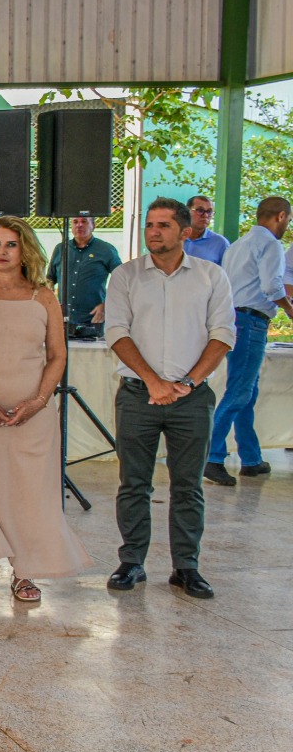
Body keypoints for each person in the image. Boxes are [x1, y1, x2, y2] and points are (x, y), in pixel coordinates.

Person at [0, 217, 92, 604]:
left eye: (10, 244)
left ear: (25, 249)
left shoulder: (43, 298)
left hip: (33, 414)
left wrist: (39, 401)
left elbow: (58, 355)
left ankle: (24, 571)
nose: (1, 251)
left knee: (29, 491)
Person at [104, 197, 235, 600]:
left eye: (163, 225)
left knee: (188, 487)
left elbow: (223, 334)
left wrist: (189, 383)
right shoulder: (125, 276)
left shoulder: (212, 276)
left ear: (185, 232)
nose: (154, 232)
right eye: (150, 224)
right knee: (133, 484)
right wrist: (153, 382)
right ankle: (131, 562)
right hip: (137, 396)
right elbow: (117, 332)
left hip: (191, 400)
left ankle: (186, 568)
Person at [205, 197, 293, 487]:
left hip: (235, 319)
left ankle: (251, 459)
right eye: (288, 219)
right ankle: (211, 456)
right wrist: (289, 308)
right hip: (252, 321)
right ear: (281, 216)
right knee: (239, 392)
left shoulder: (238, 244)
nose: (287, 225)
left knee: (247, 392)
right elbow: (271, 286)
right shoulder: (270, 245)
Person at [46, 216, 123, 339]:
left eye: (84, 221)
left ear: (94, 226)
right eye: (75, 222)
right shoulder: (61, 249)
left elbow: (123, 280)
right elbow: (50, 279)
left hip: (93, 321)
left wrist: (107, 304)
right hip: (63, 320)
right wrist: (50, 302)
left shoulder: (106, 250)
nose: (79, 225)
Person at [181, 195, 229, 264]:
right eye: (200, 210)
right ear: (187, 212)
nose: (205, 215)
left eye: (209, 211)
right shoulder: (174, 237)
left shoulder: (220, 243)